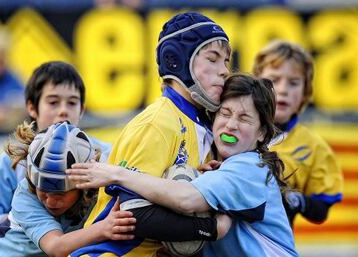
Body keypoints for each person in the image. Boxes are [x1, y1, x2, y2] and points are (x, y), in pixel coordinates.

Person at [68, 74, 298, 257]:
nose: (231, 125)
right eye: (225, 113)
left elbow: (186, 199)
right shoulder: (212, 165)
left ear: (262, 133)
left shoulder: (249, 167)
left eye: (245, 119)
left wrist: (118, 174)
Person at [66, 11, 232, 257]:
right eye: (213, 58)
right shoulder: (158, 122)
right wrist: (210, 228)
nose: (224, 71)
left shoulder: (204, 126)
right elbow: (135, 215)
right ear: (177, 60)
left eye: (226, 61)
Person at [0, 61, 112, 244]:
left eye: (72, 103)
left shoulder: (105, 155)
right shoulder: (14, 159)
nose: (63, 111)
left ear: (82, 109)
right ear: (32, 107)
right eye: (53, 102)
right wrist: (24, 223)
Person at [0, 122, 136, 257]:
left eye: (60, 193)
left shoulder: (97, 182)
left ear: (85, 183)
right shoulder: (26, 195)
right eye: (43, 191)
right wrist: (102, 228)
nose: (51, 201)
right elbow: (56, 247)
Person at [252, 40, 343, 226]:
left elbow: (321, 210)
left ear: (305, 92)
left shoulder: (313, 146)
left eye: (293, 83)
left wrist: (295, 199)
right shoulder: (232, 126)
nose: (283, 90)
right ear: (256, 83)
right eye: (274, 80)